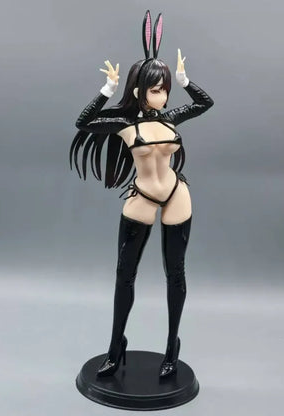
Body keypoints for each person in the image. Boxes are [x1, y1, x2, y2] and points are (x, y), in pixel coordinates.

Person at [70, 11, 214, 378]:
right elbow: (84, 122)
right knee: (125, 275)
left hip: (177, 195)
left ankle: (171, 347)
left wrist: (185, 81)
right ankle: (115, 346)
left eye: (165, 89)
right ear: (138, 91)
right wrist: (106, 90)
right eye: (156, 89)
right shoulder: (125, 124)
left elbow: (204, 103)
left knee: (175, 274)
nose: (163, 96)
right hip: (143, 197)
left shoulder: (171, 118)